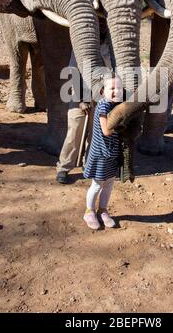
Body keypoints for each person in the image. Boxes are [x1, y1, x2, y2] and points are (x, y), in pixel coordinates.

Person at [56, 17, 112, 184]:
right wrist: (80, 100)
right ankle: (63, 168)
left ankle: (89, 165)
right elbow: (72, 72)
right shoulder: (82, 44)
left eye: (104, 23)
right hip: (79, 100)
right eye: (98, 22)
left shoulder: (110, 47)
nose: (101, 26)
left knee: (95, 136)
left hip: (101, 101)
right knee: (74, 134)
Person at [83, 73, 123, 230]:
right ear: (102, 91)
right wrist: (123, 125)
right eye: (112, 88)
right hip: (101, 154)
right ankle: (89, 212)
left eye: (119, 88)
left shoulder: (116, 105)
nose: (116, 91)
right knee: (97, 185)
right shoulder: (103, 105)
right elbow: (106, 130)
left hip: (111, 154)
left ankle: (103, 210)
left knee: (109, 185)